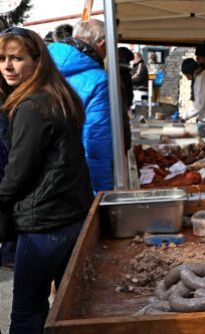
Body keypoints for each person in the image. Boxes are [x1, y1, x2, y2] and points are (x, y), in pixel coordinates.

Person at [0, 26, 93, 333]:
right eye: (2, 59)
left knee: (28, 309)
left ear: (37, 61)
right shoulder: (59, 93)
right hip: (71, 215)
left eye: (17, 58)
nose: (7, 66)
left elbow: (17, 173)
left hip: (45, 222)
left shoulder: (31, 105)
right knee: (68, 307)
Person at [48, 19, 113, 193]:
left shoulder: (40, 66)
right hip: (78, 181)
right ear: (102, 43)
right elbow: (97, 143)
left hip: (40, 180)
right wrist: (102, 193)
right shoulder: (99, 80)